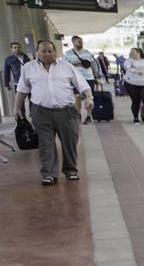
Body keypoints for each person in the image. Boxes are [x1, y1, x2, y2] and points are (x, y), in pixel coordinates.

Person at [15, 40, 92, 185]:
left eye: (50, 51)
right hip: (40, 111)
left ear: (55, 52)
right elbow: (22, 90)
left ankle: (71, 170)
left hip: (66, 111)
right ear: (37, 52)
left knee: (69, 142)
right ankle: (49, 174)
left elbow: (82, 84)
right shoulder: (28, 68)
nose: (47, 54)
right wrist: (17, 108)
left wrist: (89, 98)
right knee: (46, 144)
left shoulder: (66, 66)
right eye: (43, 51)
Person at [63, 36, 101, 124]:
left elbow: (93, 64)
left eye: (82, 42)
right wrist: (74, 64)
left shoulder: (87, 52)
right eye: (79, 42)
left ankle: (88, 116)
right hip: (75, 78)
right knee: (77, 96)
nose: (81, 43)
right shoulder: (68, 54)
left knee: (89, 97)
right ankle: (78, 114)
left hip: (88, 77)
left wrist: (96, 76)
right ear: (73, 42)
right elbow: (64, 65)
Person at [123, 47, 144, 124]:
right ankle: (136, 118)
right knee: (135, 101)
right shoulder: (128, 61)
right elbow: (128, 68)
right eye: (131, 52)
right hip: (131, 84)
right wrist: (137, 71)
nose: (131, 53)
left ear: (138, 52)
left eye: (133, 51)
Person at [4, 41, 31, 118]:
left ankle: (33, 115)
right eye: (14, 48)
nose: (17, 49)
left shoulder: (27, 57)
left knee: (32, 100)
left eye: (18, 47)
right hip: (18, 83)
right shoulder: (8, 60)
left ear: (21, 48)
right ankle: (23, 119)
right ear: (11, 49)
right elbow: (6, 72)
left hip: (30, 83)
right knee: (20, 103)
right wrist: (7, 84)